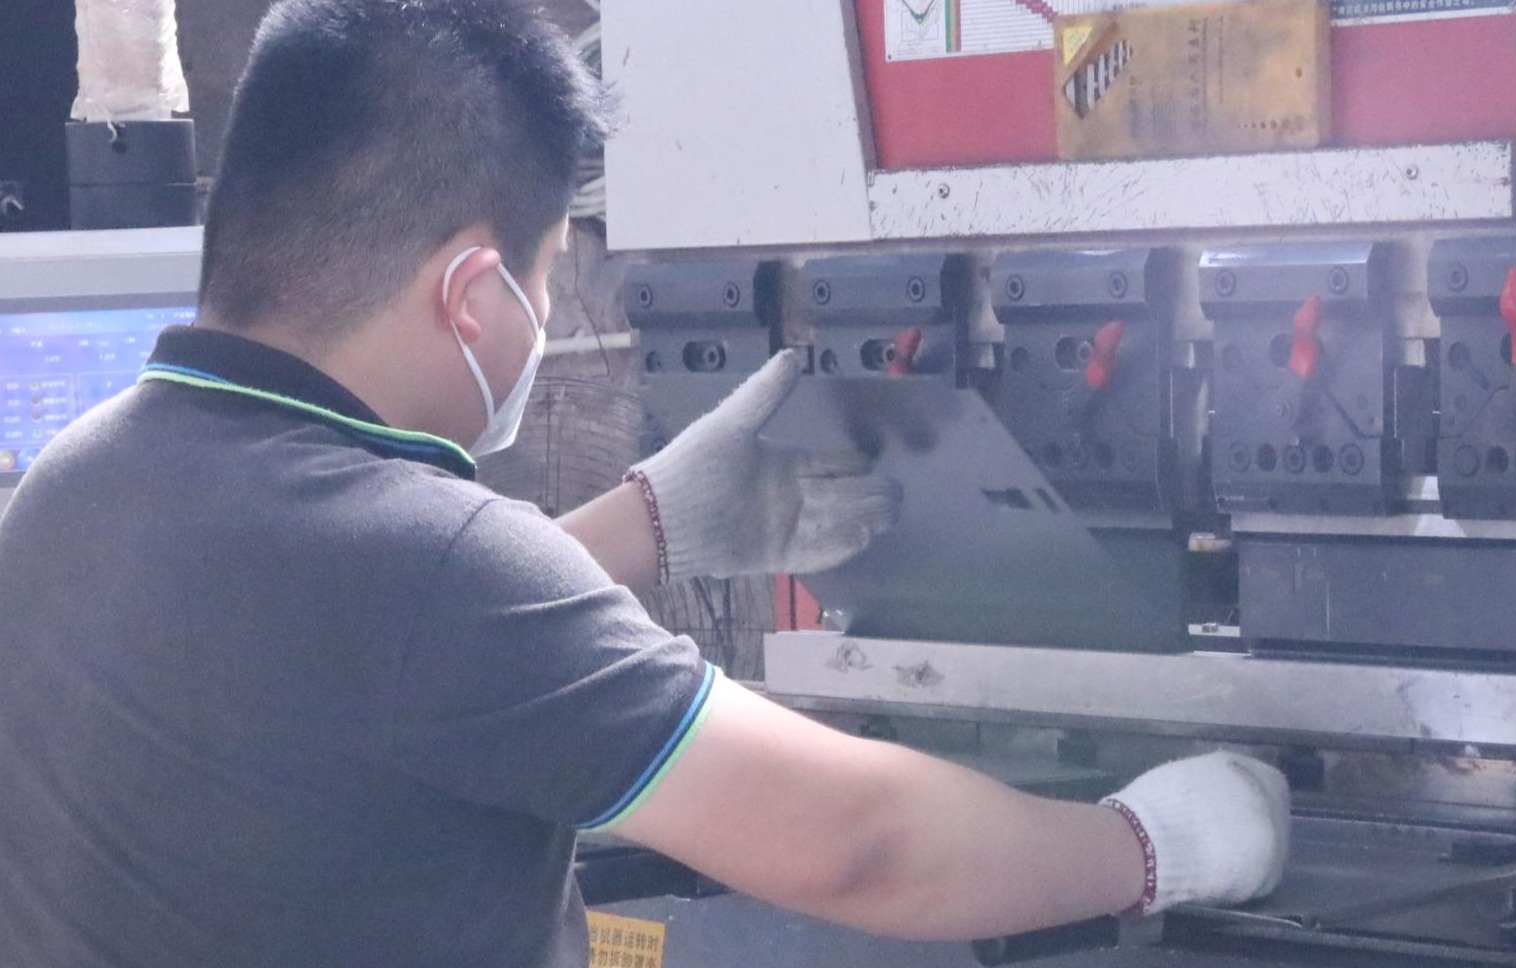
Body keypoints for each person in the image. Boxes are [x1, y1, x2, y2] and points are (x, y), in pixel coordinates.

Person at [0, 2, 1291, 965]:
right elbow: (862, 845)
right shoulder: (425, 565)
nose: (542, 310)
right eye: (548, 273)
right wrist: (1157, 844)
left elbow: (345, 655)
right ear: (471, 292)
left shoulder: (74, 484)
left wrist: (647, 524)